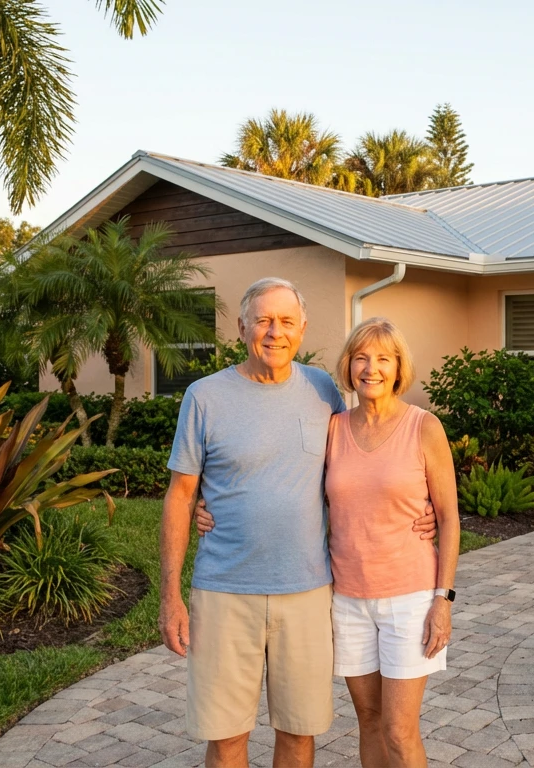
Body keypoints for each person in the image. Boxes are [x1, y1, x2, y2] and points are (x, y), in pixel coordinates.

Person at [159, 278, 435, 768]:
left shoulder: (322, 390)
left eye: (286, 321)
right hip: (224, 591)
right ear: (242, 327)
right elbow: (180, 496)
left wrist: (420, 509)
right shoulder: (203, 397)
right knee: (225, 740)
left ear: (303, 329)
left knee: (299, 734)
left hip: (308, 593)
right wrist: (170, 596)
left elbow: (358, 464)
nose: (274, 332)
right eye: (263, 320)